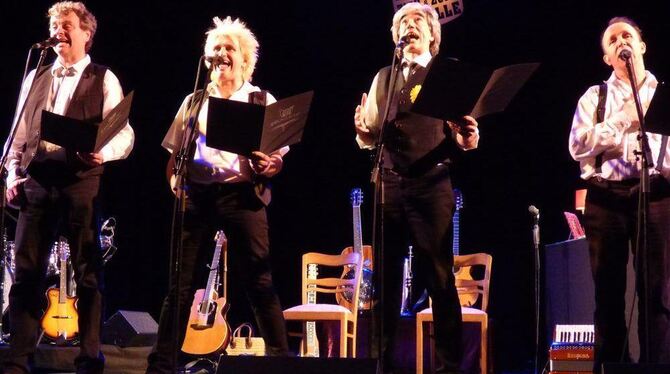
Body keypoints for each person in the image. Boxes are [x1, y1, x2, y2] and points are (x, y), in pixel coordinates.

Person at [146, 16, 289, 373]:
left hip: (242, 196)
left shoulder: (260, 99)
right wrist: (174, 184)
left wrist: (269, 166)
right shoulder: (194, 101)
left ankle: (281, 361)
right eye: (216, 49)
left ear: (244, 58)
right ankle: (162, 365)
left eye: (229, 49)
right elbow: (173, 152)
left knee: (259, 279)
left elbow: (276, 160)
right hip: (198, 196)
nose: (222, 54)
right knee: (179, 285)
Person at [1, 1, 135, 373]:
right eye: (55, 25)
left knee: (87, 270)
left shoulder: (102, 77)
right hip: (39, 179)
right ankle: (17, 359)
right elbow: (19, 134)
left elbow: (123, 133)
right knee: (26, 271)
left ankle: (89, 359)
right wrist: (13, 173)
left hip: (80, 180)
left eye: (67, 25)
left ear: (86, 34)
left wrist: (103, 154)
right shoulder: (36, 77)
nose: (59, 31)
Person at [353, 3, 479, 373]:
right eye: (403, 23)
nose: (410, 27)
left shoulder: (446, 73)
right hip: (389, 185)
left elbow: (465, 134)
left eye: (418, 23)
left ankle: (448, 366)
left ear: (431, 35)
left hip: (432, 184)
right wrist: (363, 132)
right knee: (387, 283)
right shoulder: (384, 76)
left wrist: (468, 137)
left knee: (440, 279)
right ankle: (383, 365)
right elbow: (371, 132)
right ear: (396, 36)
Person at [569, 16, 670, 371]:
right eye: (612, 40)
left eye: (627, 35)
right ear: (608, 57)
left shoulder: (662, 93)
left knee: (657, 292)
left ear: (641, 46)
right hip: (606, 198)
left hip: (655, 196)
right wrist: (622, 119)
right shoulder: (595, 96)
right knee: (608, 294)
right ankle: (611, 365)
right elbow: (578, 146)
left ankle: (657, 366)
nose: (621, 41)